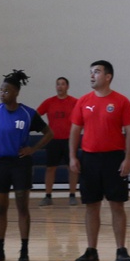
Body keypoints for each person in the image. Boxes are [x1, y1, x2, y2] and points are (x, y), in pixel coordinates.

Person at [0, 70, 53, 261]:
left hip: (20, 164)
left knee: (22, 208)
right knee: (1, 208)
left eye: (6, 90)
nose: (2, 93)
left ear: (16, 92)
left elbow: (49, 133)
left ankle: (24, 250)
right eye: (1, 90)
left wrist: (33, 148)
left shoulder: (28, 113)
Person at [69, 60, 130, 261]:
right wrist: (73, 156)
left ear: (108, 76)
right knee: (91, 206)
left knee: (117, 205)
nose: (92, 75)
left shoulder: (121, 101)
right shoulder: (83, 101)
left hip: (114, 159)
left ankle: (121, 250)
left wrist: (128, 158)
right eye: (91, 72)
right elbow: (74, 130)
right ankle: (91, 250)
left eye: (97, 72)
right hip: (89, 159)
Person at [36, 77, 79, 206]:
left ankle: (72, 195)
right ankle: (48, 196)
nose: (60, 86)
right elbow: (36, 115)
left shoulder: (75, 102)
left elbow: (83, 117)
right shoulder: (49, 102)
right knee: (50, 168)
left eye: (63, 84)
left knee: (72, 168)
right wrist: (43, 129)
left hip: (69, 140)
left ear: (67, 86)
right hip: (53, 140)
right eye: (58, 84)